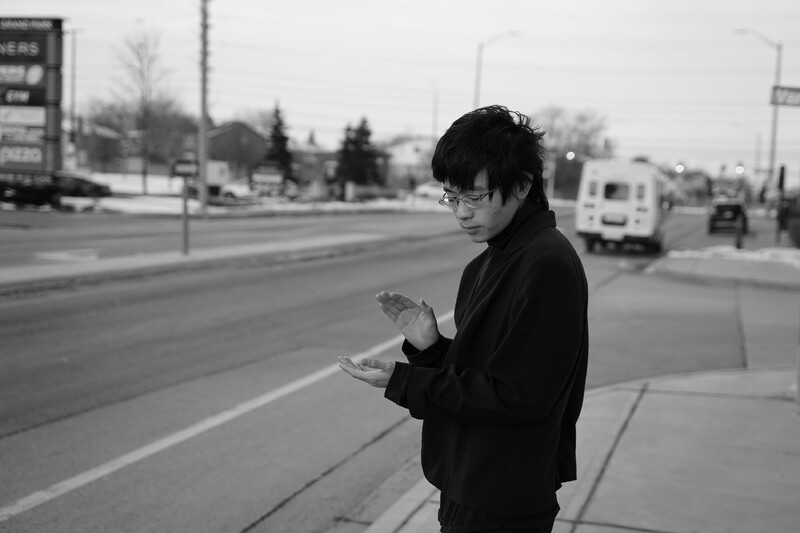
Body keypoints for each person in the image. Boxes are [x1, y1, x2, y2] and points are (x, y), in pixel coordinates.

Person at [338, 105, 589, 533]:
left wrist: (405, 381)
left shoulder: (546, 264)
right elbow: (490, 370)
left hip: (502, 493)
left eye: (474, 197)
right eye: (452, 197)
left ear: (522, 185)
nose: (462, 212)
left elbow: (519, 395)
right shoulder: (491, 260)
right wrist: (432, 348)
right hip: (472, 478)